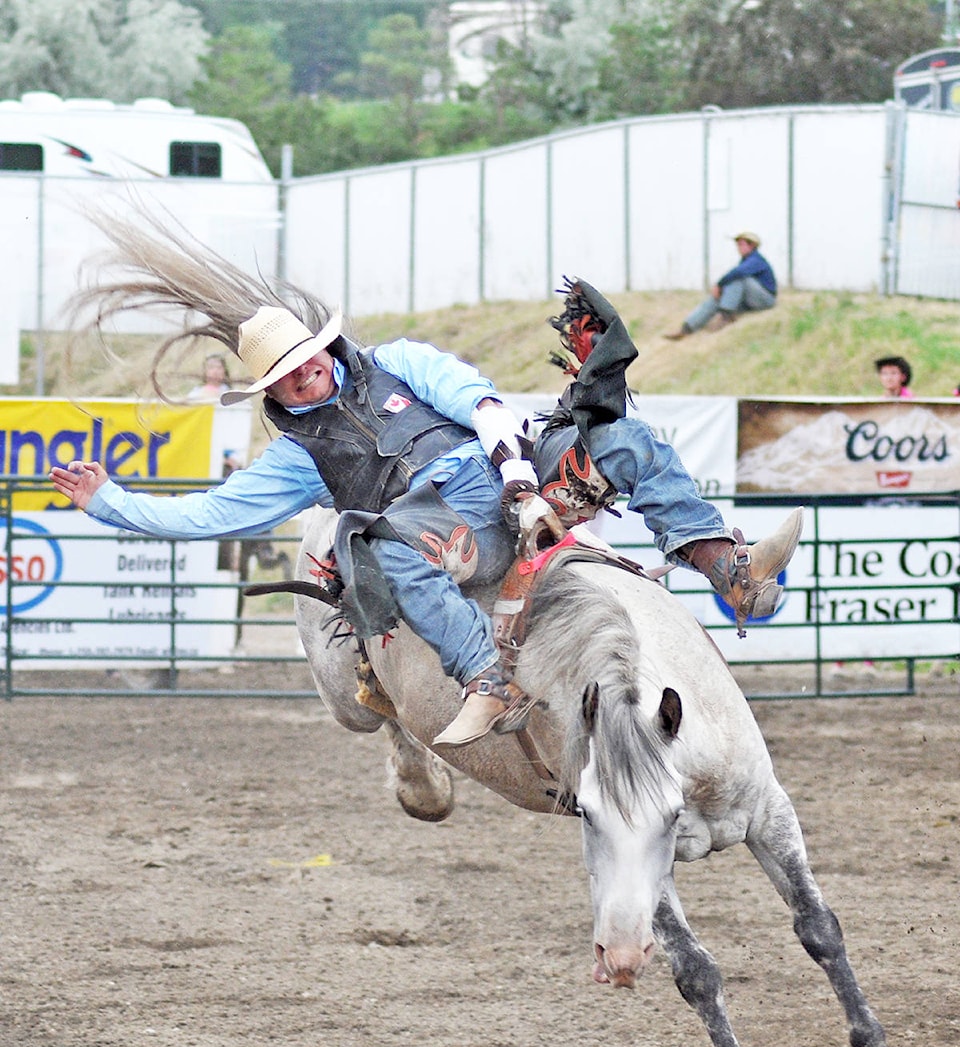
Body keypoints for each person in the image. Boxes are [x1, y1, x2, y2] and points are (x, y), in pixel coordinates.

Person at [49, 212, 802, 748]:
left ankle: (724, 568)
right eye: (290, 376)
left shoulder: (400, 360)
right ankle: (486, 678)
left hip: (509, 474)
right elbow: (210, 515)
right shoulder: (297, 458)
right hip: (449, 529)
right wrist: (108, 501)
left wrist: (515, 471)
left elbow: (478, 400)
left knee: (626, 439)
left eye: (308, 360)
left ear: (324, 348)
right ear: (274, 393)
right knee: (383, 547)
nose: (308, 376)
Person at [664, 231, 777, 339]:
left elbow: (739, 273)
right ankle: (687, 328)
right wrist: (721, 290)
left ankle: (726, 315)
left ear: (752, 245)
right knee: (717, 297)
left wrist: (719, 284)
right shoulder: (746, 261)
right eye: (738, 244)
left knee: (738, 279)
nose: (739, 247)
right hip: (751, 300)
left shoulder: (756, 260)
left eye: (742, 244)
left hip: (765, 300)